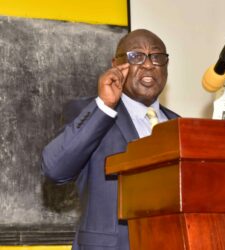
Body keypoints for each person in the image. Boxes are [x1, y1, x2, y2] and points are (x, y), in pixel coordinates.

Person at [41, 29, 179, 250]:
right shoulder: (92, 113)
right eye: (136, 56)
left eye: (157, 57)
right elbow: (55, 169)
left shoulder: (180, 126)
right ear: (116, 65)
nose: (148, 64)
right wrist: (105, 106)